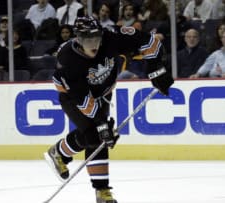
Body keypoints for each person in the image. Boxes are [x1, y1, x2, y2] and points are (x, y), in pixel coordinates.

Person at [44, 16, 173, 203]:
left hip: (104, 91)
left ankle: (60, 153)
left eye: (96, 38)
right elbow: (82, 98)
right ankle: (101, 191)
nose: (94, 44)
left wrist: (156, 68)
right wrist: (101, 123)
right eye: (88, 40)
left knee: (97, 137)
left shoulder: (112, 36)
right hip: (73, 97)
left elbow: (150, 41)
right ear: (78, 39)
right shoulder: (67, 59)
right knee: (94, 134)